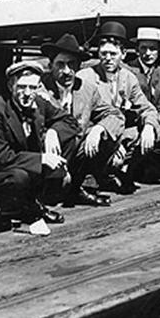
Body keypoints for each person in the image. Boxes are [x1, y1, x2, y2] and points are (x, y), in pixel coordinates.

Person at [0, 61, 68, 234]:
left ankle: (31, 205)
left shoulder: (38, 103)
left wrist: (53, 132)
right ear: (11, 86)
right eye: (22, 87)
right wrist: (43, 159)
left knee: (66, 149)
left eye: (33, 87)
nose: (27, 93)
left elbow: (68, 121)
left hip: (22, 165)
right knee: (20, 176)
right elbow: (3, 157)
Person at [76, 21, 160, 194]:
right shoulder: (86, 77)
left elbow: (147, 108)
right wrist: (111, 140)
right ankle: (92, 176)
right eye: (104, 53)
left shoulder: (128, 78)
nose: (108, 58)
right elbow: (80, 117)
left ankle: (117, 171)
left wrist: (148, 127)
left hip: (118, 133)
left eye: (113, 54)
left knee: (145, 133)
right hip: (94, 135)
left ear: (123, 54)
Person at [37, 33, 113, 208]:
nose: (66, 71)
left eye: (72, 65)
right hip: (46, 155)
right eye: (60, 65)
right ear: (50, 66)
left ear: (78, 66)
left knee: (103, 137)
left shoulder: (87, 89)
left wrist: (98, 129)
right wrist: (50, 133)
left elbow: (113, 115)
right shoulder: (39, 88)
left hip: (74, 155)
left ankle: (76, 187)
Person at [125, 27, 160, 182]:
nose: (148, 53)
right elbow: (130, 106)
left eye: (153, 49)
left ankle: (151, 166)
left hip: (154, 122)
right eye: (143, 48)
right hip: (134, 122)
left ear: (159, 51)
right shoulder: (129, 71)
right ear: (137, 50)